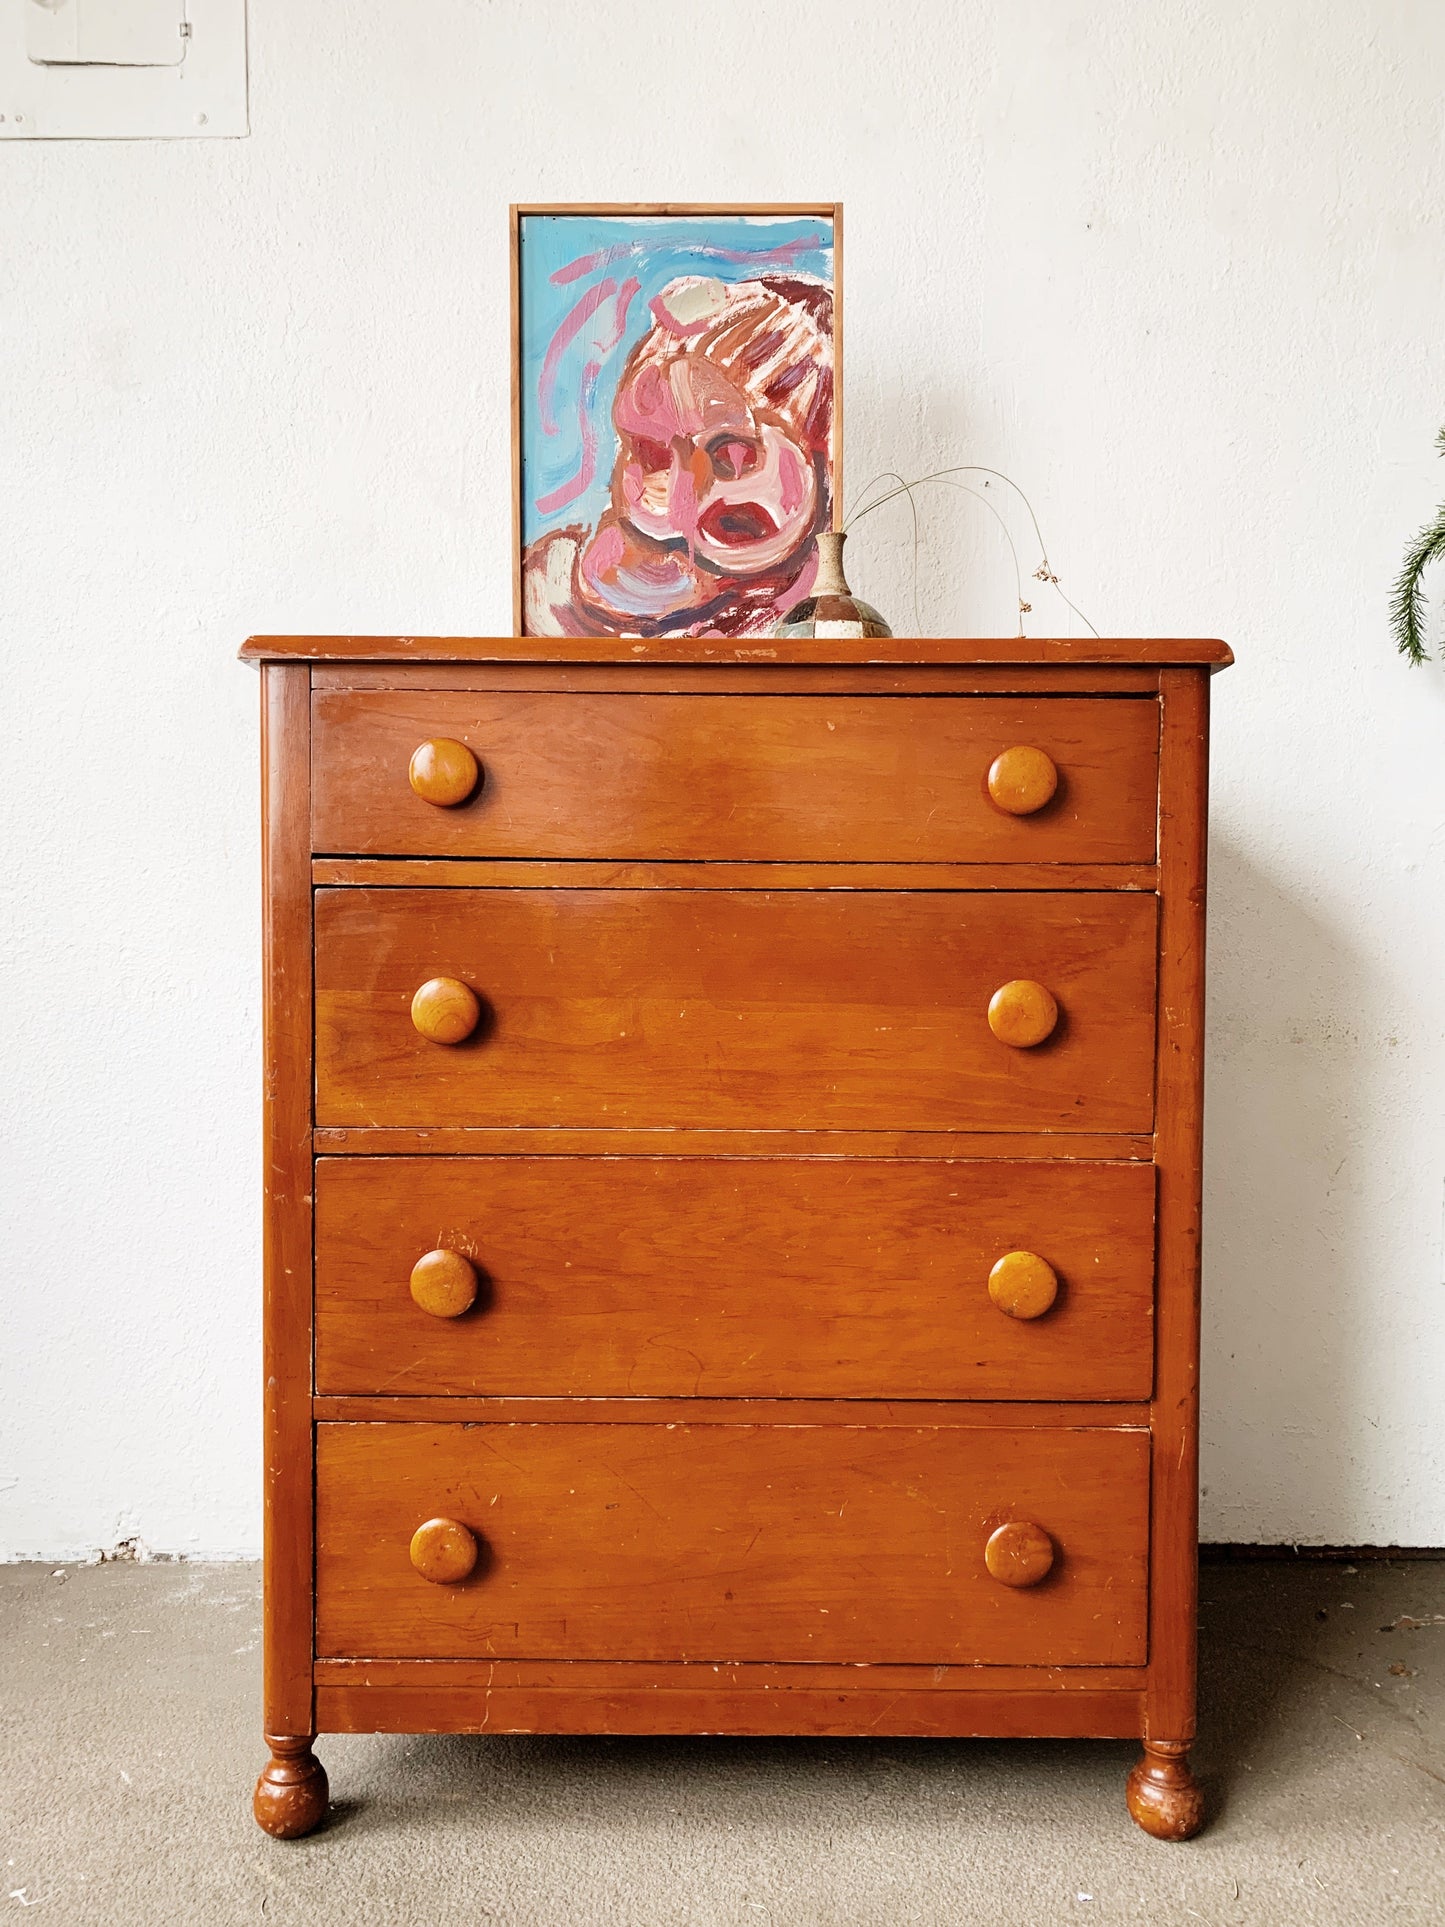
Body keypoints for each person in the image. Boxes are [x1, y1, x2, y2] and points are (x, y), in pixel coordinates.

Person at [523, 272, 833, 636]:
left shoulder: (810, 625)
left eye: (734, 457)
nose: (680, 501)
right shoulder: (552, 581)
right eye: (652, 455)